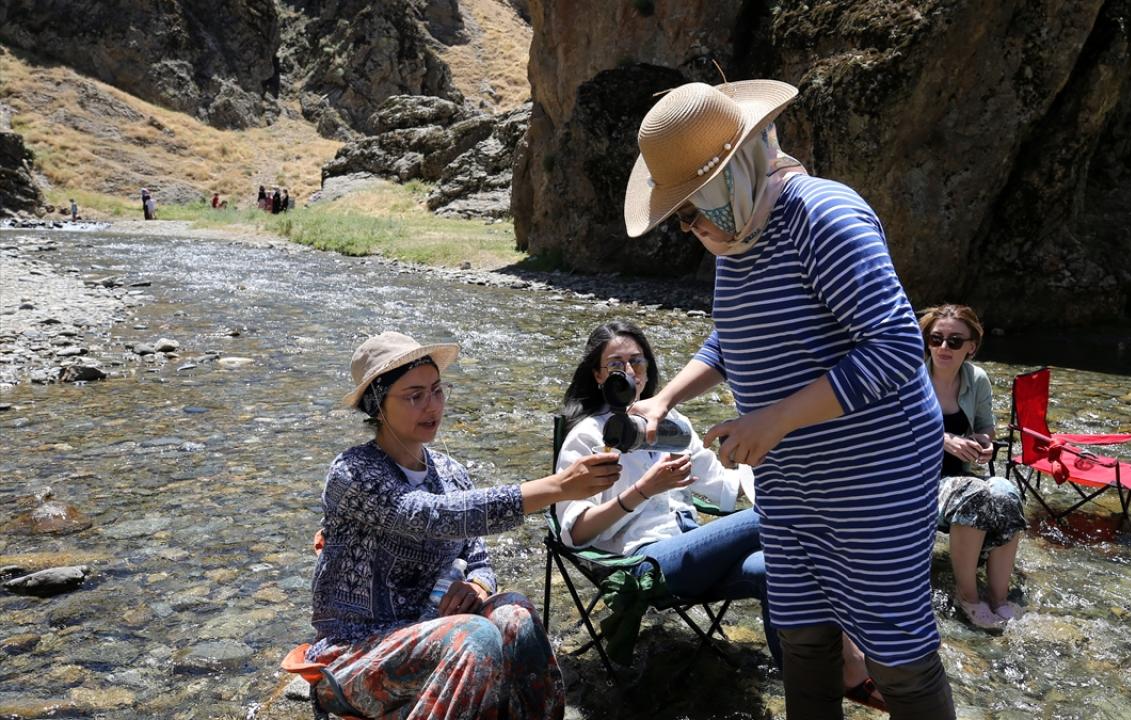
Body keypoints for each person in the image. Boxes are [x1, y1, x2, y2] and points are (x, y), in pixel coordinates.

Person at [624, 80, 955, 719]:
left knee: (897, 657)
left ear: (732, 173)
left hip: (872, 475)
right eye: (679, 217)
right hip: (789, 478)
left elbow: (892, 347)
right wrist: (663, 398)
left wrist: (773, 419)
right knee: (803, 641)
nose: (688, 228)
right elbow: (733, 337)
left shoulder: (823, 216)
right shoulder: (736, 234)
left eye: (691, 210)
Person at [307, 331, 622, 719]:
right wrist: (557, 487)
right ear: (377, 405)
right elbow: (429, 516)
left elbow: (478, 558)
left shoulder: (452, 472)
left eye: (437, 390)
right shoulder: (353, 472)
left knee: (517, 614)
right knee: (475, 635)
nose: (431, 405)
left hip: (434, 632)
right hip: (356, 652)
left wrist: (476, 585)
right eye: (414, 395)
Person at [554, 320, 780, 664]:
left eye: (637, 361)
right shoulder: (588, 436)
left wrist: (750, 452)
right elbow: (576, 532)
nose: (629, 371)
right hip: (639, 562)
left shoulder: (672, 422)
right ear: (599, 376)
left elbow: (723, 487)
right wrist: (644, 490)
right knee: (778, 514)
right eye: (616, 364)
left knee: (774, 568)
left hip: (691, 545)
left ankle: (803, 685)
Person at [919, 304, 1026, 631]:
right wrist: (944, 440)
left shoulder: (976, 379)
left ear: (971, 347)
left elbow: (986, 428)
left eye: (954, 341)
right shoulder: (911, 375)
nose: (942, 348)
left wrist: (983, 443)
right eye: (936, 339)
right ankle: (967, 595)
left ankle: (998, 597)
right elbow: (890, 431)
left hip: (958, 477)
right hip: (914, 483)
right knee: (973, 492)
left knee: (1007, 492)